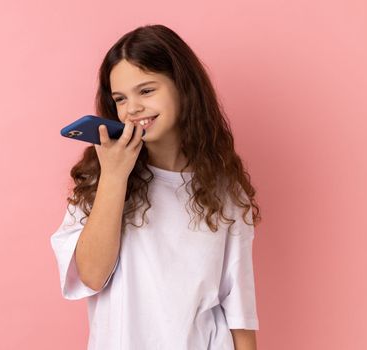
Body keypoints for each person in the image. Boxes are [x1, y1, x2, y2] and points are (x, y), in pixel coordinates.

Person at [50, 24, 262, 350]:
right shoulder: (100, 182)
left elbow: (238, 307)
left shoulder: (225, 190)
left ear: (183, 89)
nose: (133, 109)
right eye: (120, 98)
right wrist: (114, 177)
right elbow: (91, 276)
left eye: (146, 91)